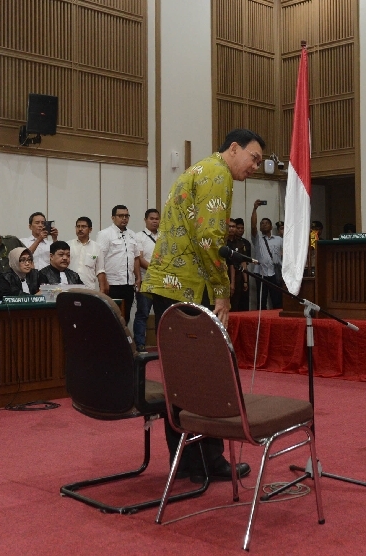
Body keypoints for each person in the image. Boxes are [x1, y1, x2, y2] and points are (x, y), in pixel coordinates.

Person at [141, 128, 264, 483]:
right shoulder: (217, 174)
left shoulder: (199, 169)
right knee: (204, 375)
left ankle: (186, 462)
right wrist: (222, 289)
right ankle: (209, 462)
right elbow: (210, 238)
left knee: (179, 378)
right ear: (234, 148)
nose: (255, 166)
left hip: (170, 285)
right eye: (253, 158)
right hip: (189, 288)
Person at [97, 205, 141, 325]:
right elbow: (100, 259)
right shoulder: (105, 234)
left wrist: (138, 278)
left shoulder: (132, 234)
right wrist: (103, 282)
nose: (124, 218)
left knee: (125, 317)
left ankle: (123, 343)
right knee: (111, 317)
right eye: (120, 216)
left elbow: (136, 257)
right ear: (113, 217)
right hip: (112, 284)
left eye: (126, 216)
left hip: (128, 284)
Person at [133, 208, 160, 352]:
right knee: (143, 313)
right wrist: (156, 270)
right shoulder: (139, 237)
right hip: (146, 281)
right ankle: (140, 344)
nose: (155, 221)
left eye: (157, 218)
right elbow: (140, 259)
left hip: (162, 283)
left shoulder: (163, 237)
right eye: (152, 218)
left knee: (161, 314)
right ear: (145, 220)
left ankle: (162, 345)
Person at [251, 199, 283, 309]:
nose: (264, 225)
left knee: (277, 300)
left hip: (275, 273)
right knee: (261, 301)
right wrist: (255, 209)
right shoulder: (257, 239)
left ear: (270, 226)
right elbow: (253, 226)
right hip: (261, 274)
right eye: (262, 224)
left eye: (266, 223)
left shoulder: (279, 239)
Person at [67, 217, 108, 292]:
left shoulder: (97, 247)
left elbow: (100, 270)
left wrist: (102, 290)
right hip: (69, 288)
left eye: (83, 227)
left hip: (89, 289)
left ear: (90, 229)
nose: (80, 229)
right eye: (78, 226)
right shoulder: (68, 245)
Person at [229, 217, 252, 311]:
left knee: (237, 305)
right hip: (224, 277)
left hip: (238, 277)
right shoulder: (222, 242)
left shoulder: (240, 243)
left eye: (233, 226)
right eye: (229, 226)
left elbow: (243, 262)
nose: (231, 229)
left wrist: (246, 281)